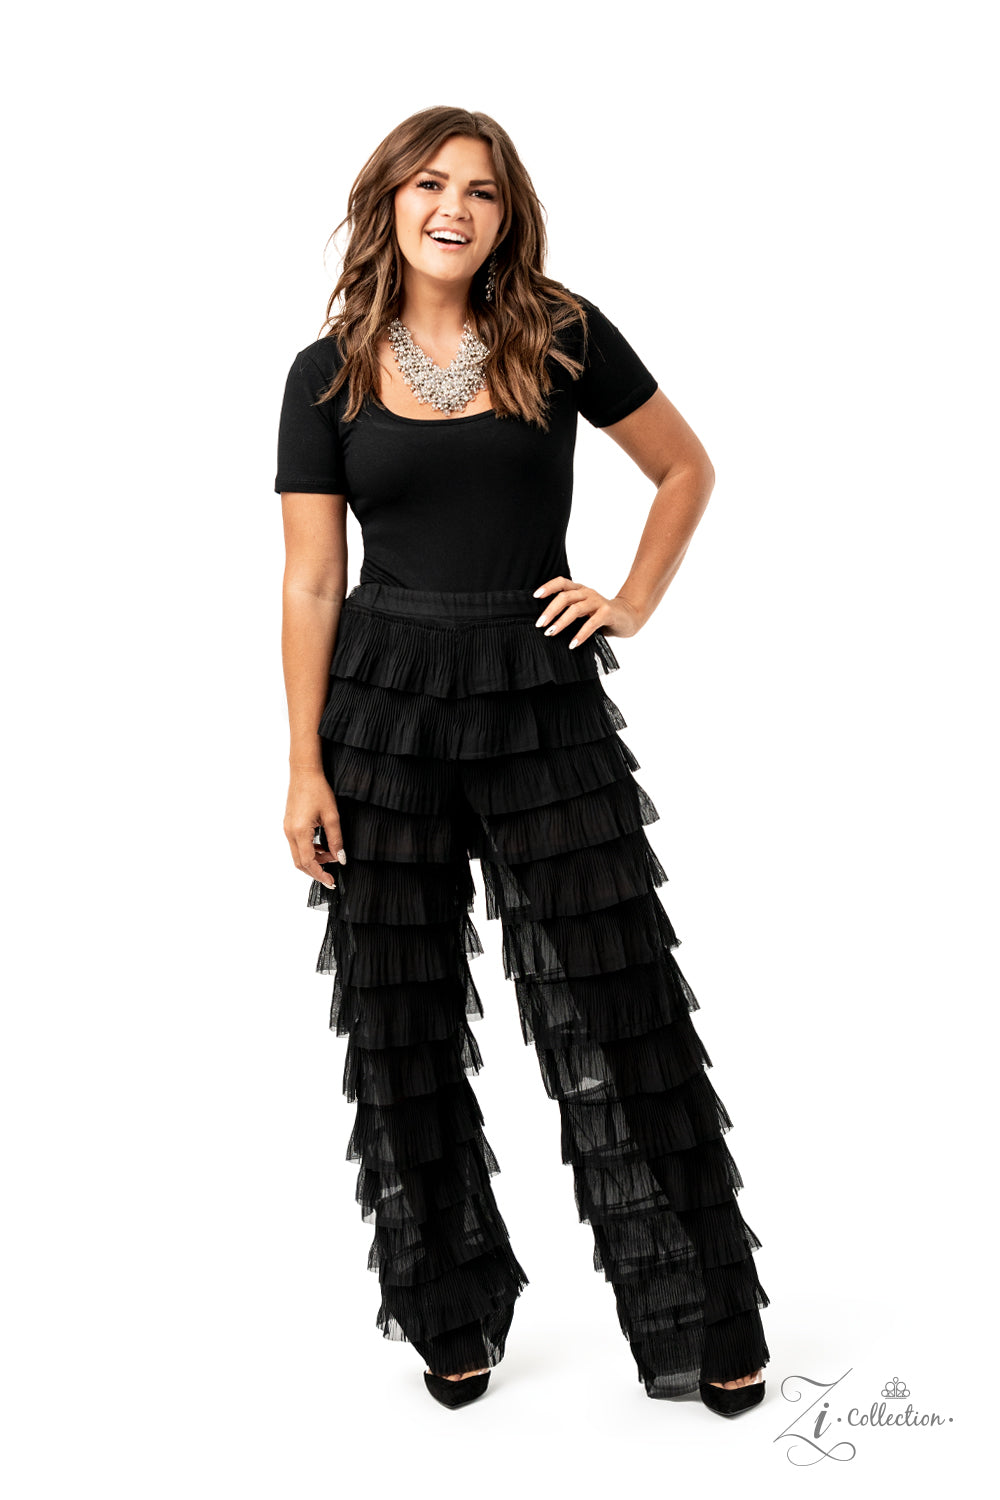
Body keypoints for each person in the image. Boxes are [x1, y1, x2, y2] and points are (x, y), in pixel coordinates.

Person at [274, 106, 770, 1415]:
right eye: (430, 184)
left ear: (509, 215)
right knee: (401, 1019)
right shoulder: (324, 375)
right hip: (382, 718)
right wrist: (303, 764)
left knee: (622, 1002)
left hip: (541, 698)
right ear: (387, 201)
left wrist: (632, 600)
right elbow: (314, 580)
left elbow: (683, 468)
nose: (455, 207)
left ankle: (706, 1307)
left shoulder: (560, 333)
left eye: (483, 191)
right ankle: (450, 1307)